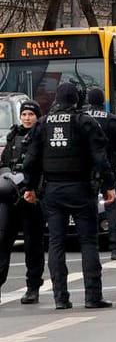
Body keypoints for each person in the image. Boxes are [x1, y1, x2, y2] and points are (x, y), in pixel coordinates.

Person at [21, 83, 114, 310]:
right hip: (82, 189)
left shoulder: (43, 124)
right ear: (76, 100)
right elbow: (100, 157)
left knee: (56, 243)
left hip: (52, 191)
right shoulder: (84, 121)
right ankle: (93, 296)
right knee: (88, 242)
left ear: (56, 100)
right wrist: (108, 186)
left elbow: (31, 160)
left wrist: (29, 187)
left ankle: (60, 298)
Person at [0, 100, 46, 303]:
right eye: (24, 114)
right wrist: (7, 175)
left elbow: (45, 167)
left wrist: (33, 188)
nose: (27, 118)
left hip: (31, 197)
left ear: (37, 116)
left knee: (32, 244)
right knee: (2, 242)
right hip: (9, 197)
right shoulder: (12, 137)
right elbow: (3, 164)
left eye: (31, 115)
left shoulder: (43, 136)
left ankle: (33, 287)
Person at [84, 88, 116, 263]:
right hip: (108, 169)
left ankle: (89, 244)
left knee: (88, 209)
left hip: (86, 171)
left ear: (88, 100)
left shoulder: (82, 118)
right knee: (111, 208)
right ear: (103, 101)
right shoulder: (112, 120)